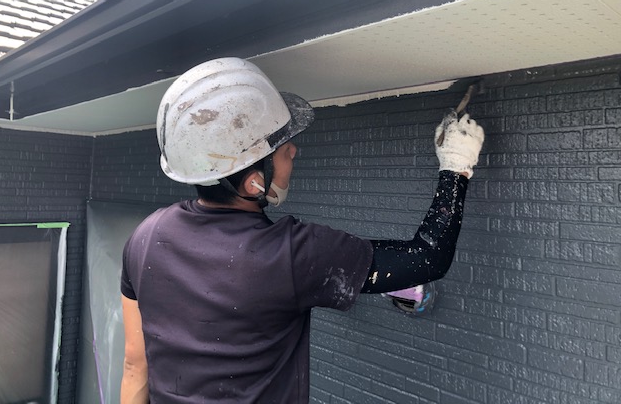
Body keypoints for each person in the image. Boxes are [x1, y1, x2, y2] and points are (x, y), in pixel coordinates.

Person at [120, 57, 484, 404]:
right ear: (253, 182)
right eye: (281, 148)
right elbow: (427, 258)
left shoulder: (146, 236)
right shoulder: (288, 256)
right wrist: (455, 167)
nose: (293, 151)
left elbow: (135, 364)